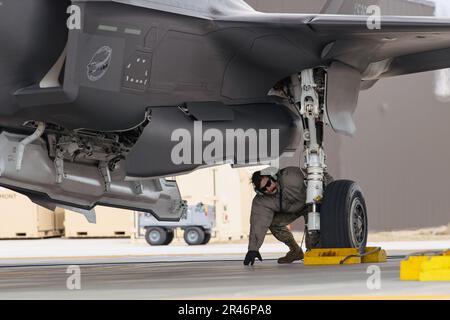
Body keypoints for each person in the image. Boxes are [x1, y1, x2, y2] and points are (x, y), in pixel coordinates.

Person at [243, 167, 333, 266]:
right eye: (264, 189)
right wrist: (253, 249)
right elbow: (258, 223)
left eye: (268, 183)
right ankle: (295, 251)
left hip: (312, 204)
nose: (268, 189)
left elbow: (320, 178)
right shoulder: (262, 201)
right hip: (291, 210)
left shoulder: (291, 177)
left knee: (312, 240)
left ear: (273, 178)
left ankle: (314, 250)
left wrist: (333, 191)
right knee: (273, 223)